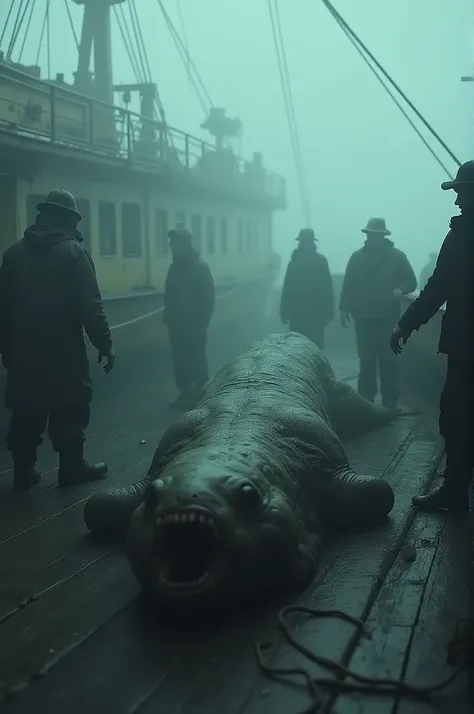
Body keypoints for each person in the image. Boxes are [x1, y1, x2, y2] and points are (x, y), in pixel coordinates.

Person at [0, 189, 115, 491]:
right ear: (69, 219)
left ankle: (24, 470)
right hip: (62, 349)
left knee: (26, 409)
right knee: (70, 408)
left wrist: (5, 349)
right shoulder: (73, 253)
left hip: (22, 349)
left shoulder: (12, 254)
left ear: (42, 216)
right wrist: (104, 342)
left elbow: (3, 308)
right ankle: (71, 468)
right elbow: (90, 305)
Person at [390, 160, 474, 513]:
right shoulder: (458, 234)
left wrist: (404, 324)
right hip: (464, 344)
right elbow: (438, 286)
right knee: (457, 414)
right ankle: (455, 491)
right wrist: (407, 322)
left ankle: (455, 493)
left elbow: (436, 288)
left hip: (466, 344)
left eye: (461, 192)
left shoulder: (460, 236)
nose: (456, 201)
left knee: (457, 414)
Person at [339, 217, 417, 412]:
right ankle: (366, 401)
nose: (373, 238)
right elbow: (348, 284)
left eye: (377, 235)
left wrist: (401, 289)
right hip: (363, 318)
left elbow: (411, 281)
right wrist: (344, 308)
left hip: (388, 317)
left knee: (388, 360)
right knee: (366, 360)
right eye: (371, 234)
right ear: (367, 235)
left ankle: (390, 403)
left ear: (383, 236)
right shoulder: (356, 257)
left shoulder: (398, 257)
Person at [163, 227, 215, 409]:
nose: (171, 246)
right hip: (177, 325)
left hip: (194, 325)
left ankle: (203, 395)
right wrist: (168, 317)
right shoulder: (174, 267)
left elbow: (208, 298)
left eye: (174, 243)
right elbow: (169, 294)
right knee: (179, 360)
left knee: (197, 360)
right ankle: (185, 393)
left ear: (184, 244)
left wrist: (201, 322)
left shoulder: (200, 267)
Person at [279, 228, 334, 349]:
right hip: (314, 315)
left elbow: (287, 288)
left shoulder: (294, 262)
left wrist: (284, 310)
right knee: (314, 349)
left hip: (300, 315)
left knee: (298, 349)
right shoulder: (320, 261)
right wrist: (329, 312)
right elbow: (328, 289)